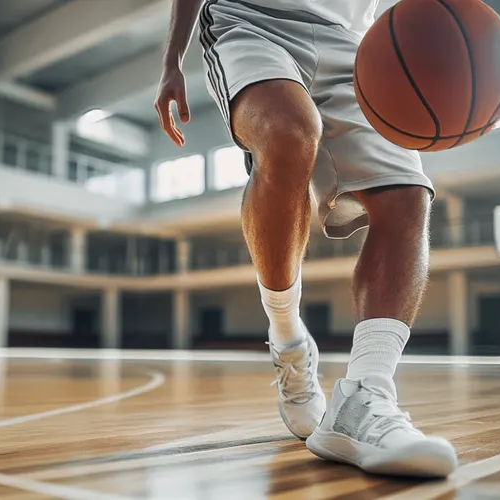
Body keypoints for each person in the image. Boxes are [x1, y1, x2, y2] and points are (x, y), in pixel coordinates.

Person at [157, 0, 456, 477]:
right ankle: (288, 337)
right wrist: (172, 58)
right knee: (288, 132)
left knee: (408, 196)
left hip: (357, 44)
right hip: (251, 20)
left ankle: (365, 397)